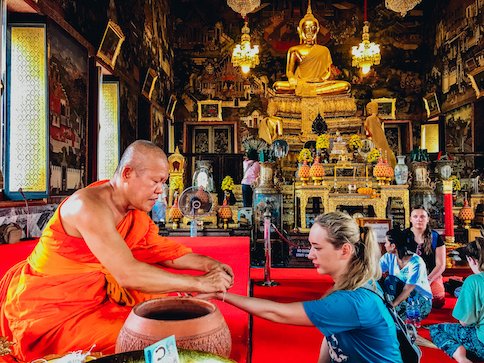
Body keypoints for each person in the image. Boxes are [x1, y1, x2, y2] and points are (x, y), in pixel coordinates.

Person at [0, 140, 234, 360]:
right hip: (54, 311)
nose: (160, 191)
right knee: (152, 339)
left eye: (163, 183)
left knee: (169, 318)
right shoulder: (88, 206)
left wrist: (209, 265)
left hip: (98, 297)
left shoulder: (132, 211)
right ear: (127, 173)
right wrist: (201, 283)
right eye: (155, 182)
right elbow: (128, 274)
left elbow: (162, 252)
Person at [200, 212, 403, 362]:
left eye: (317, 248)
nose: (310, 255)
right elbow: (332, 337)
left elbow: (278, 313)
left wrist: (223, 295)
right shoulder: (358, 283)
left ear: (345, 250)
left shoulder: (353, 301)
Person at [272, 2, 351, 96]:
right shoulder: (294, 50)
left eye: (313, 28)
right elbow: (289, 72)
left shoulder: (324, 50)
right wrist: (292, 79)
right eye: (306, 28)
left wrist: (321, 79)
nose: (309, 32)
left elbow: (328, 71)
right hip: (300, 83)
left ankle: (310, 92)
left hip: (319, 84)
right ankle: (312, 92)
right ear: (300, 30)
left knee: (345, 86)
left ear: (317, 30)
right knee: (278, 86)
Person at [429, 238, 484, 363]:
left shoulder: (473, 281)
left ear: (471, 260)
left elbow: (465, 322)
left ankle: (462, 358)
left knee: (436, 329)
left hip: (481, 343)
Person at [380, 228, 432, 321]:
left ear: (393, 246)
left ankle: (393, 313)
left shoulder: (416, 263)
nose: (384, 245)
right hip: (401, 298)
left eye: (386, 242)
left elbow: (408, 289)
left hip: (419, 300)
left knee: (390, 279)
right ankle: (393, 314)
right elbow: (375, 272)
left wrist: (392, 305)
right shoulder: (388, 257)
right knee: (380, 280)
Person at [404, 206, 447, 308]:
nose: (419, 219)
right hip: (408, 276)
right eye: (415, 216)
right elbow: (399, 262)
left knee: (437, 300)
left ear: (428, 219)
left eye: (422, 216)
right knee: (406, 299)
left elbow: (441, 265)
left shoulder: (435, 237)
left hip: (430, 275)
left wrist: (428, 280)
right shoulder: (403, 236)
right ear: (410, 219)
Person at [364, 101, 396, 168]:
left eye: (369, 109)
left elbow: (367, 129)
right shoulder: (378, 119)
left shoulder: (370, 119)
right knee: (385, 152)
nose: (368, 111)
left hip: (375, 138)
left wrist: (369, 138)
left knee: (379, 153)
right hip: (381, 138)